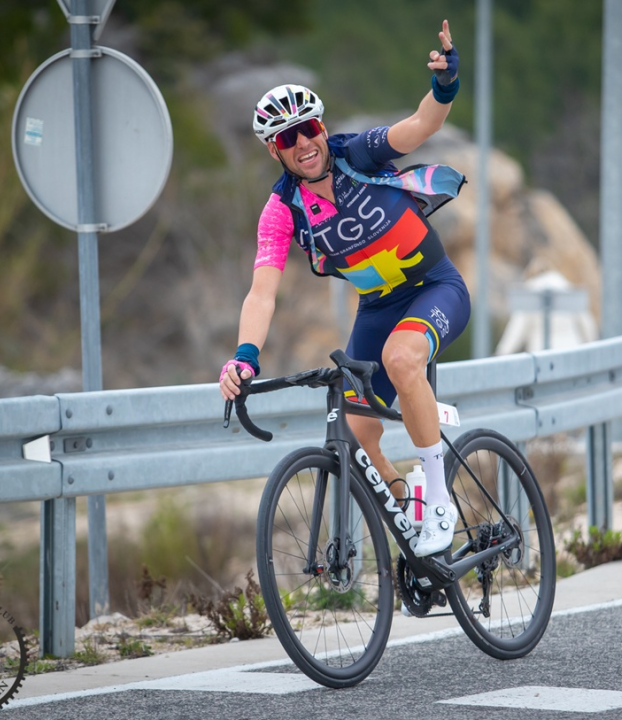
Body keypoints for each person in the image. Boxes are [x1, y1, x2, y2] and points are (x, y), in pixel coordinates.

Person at [219, 20, 469, 558]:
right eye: (287, 138)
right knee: (355, 437)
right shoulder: (281, 211)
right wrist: (243, 356)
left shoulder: (358, 153)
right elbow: (262, 292)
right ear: (275, 152)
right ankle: (409, 508)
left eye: (308, 128)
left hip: (435, 287)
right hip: (379, 307)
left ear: (322, 126)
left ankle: (440, 499)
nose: (304, 143)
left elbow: (421, 125)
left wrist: (445, 83)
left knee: (402, 360)